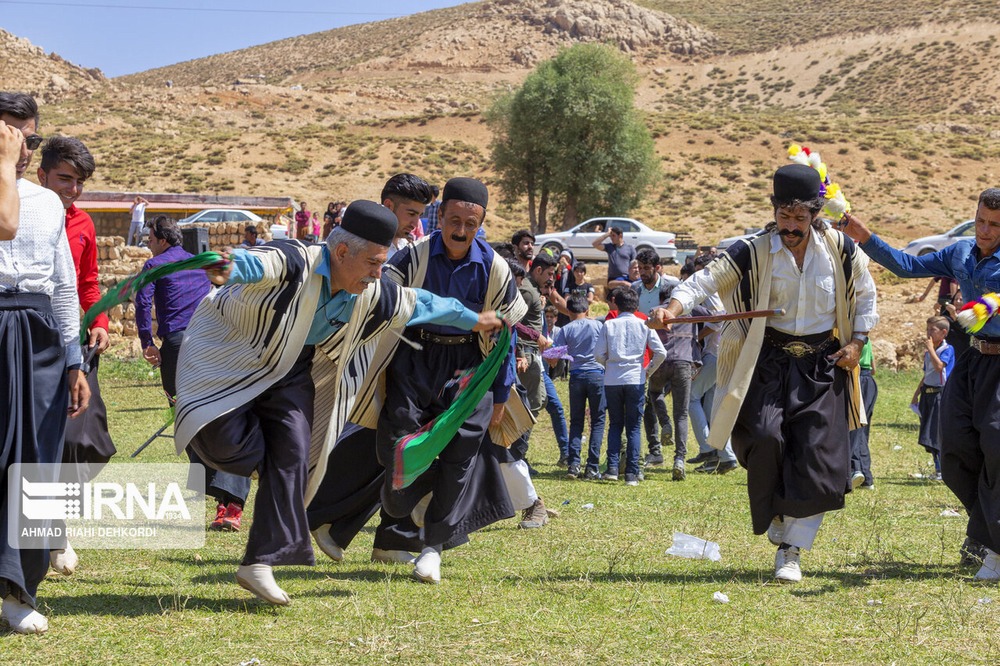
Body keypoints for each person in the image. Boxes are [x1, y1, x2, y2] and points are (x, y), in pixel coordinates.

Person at [175, 199, 504, 602]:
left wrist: (475, 320)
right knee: (231, 448)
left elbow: (422, 302)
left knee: (294, 452)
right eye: (372, 263)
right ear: (342, 251)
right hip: (238, 356)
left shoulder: (372, 293)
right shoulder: (298, 260)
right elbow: (260, 264)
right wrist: (230, 265)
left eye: (382, 263)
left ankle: (259, 562)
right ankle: (253, 460)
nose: (378, 274)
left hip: (293, 370)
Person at [652, 163, 878, 583]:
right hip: (768, 362)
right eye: (783, 217)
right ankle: (777, 509)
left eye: (799, 218)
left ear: (815, 214)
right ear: (774, 211)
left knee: (817, 456)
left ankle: (791, 550)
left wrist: (857, 342)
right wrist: (672, 310)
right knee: (764, 437)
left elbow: (865, 295)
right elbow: (703, 281)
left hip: (822, 364)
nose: (790, 227)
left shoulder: (842, 251)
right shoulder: (752, 250)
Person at [375, 178, 528, 583]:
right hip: (415, 359)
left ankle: (433, 548)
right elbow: (379, 304)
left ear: (481, 224)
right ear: (438, 216)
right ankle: (404, 510)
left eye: (471, 224)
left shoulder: (495, 269)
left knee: (460, 457)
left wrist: (500, 392)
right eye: (454, 220)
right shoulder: (412, 259)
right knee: (398, 443)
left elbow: (505, 336)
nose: (461, 231)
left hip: (470, 367)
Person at [842, 188, 1000, 580]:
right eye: (980, 220)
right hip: (972, 359)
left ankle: (991, 547)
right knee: (953, 451)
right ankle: (985, 525)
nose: (984, 230)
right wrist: (865, 238)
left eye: (994, 225)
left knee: (996, 445)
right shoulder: (960, 252)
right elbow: (908, 265)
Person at [0, 91, 89, 634]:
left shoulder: (48, 203)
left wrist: (74, 357)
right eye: (10, 132)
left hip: (39, 335)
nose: (22, 146)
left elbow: (62, 286)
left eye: (28, 137)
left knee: (37, 466)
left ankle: (20, 589)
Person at [136, 216, 252, 533]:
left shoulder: (155, 265)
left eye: (149, 236)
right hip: (211, 340)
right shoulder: (202, 262)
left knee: (188, 420)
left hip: (177, 347)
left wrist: (147, 342)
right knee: (222, 416)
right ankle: (229, 502)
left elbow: (142, 304)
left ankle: (221, 495)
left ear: (161, 238)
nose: (147, 242)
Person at [38, 136, 115, 575]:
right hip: (31, 337)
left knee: (88, 442)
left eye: (80, 181)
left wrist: (100, 322)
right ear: (42, 174)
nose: (73, 189)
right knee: (39, 441)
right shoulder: (18, 216)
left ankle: (51, 516)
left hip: (78, 345)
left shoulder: (83, 223)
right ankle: (51, 531)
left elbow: (88, 283)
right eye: (65, 178)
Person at [596, 288, 665, 485]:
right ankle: (632, 474)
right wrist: (647, 370)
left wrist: (609, 365)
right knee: (634, 426)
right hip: (636, 377)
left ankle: (612, 468)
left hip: (613, 379)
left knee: (615, 424)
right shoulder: (644, 324)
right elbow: (661, 353)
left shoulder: (609, 325)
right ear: (637, 305)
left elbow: (598, 354)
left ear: (616, 303)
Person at [632, 249, 680, 467]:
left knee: (662, 397)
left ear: (657, 268)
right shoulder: (634, 290)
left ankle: (682, 451)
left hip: (670, 350)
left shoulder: (672, 287)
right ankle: (655, 450)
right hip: (644, 352)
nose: (641, 272)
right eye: (639, 268)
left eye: (646, 268)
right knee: (648, 402)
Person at [550, 294, 605, 480]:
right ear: (587, 310)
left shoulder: (565, 329)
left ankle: (573, 465)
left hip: (576, 376)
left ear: (569, 312)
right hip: (597, 375)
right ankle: (592, 467)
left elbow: (554, 356)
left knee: (576, 422)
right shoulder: (598, 325)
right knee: (597, 422)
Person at [911, 316, 955, 482]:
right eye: (927, 329)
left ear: (943, 333)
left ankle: (942, 470)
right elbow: (926, 374)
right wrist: (916, 394)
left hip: (940, 393)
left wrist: (930, 350)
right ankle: (937, 469)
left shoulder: (947, 349)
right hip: (927, 394)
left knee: (936, 432)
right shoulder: (929, 351)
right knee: (927, 432)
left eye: (932, 330)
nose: (928, 333)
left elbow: (939, 368)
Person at [382, 173, 434, 261]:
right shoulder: (366, 251)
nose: (416, 224)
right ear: (389, 206)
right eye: (411, 214)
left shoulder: (407, 249)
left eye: (419, 216)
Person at [849, 338, 878, 489]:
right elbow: (874, 369)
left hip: (857, 377)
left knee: (855, 426)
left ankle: (856, 470)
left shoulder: (854, 339)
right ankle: (865, 475)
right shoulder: (867, 339)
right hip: (869, 380)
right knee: (862, 428)